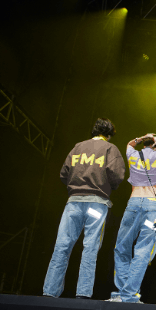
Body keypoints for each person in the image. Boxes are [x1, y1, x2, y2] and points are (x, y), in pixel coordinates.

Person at [43, 118, 125, 299]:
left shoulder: (78, 147)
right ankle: (83, 294)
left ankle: (50, 292)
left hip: (73, 203)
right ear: (109, 135)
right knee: (90, 248)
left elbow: (63, 173)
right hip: (96, 204)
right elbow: (117, 175)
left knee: (62, 246)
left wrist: (76, 186)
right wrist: (107, 186)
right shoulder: (110, 148)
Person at [111, 133, 156, 303]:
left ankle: (122, 293)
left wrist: (143, 137)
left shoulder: (133, 154)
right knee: (144, 250)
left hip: (134, 203)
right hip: (153, 205)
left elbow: (129, 144)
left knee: (122, 247)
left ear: (144, 145)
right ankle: (130, 294)